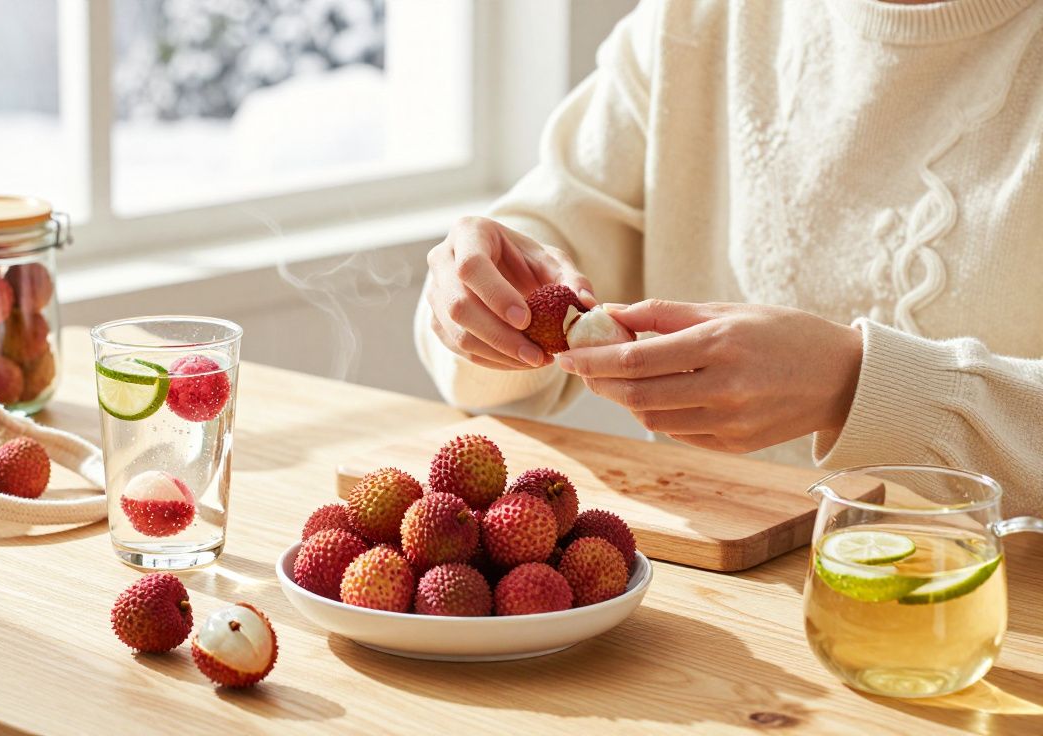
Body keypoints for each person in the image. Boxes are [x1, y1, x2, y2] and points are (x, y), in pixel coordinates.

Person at [415, 0, 1043, 514]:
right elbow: (545, 236)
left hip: (992, 626)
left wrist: (857, 385)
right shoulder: (694, 21)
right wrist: (481, 302)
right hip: (715, 604)